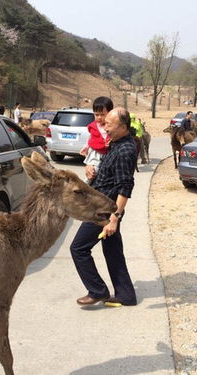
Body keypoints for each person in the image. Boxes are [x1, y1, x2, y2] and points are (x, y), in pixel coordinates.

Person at [70, 106, 137, 307]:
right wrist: (92, 171)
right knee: (113, 250)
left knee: (79, 248)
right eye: (103, 122)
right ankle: (126, 295)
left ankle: (97, 290)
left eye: (109, 124)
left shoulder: (125, 150)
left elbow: (125, 187)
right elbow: (110, 175)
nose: (104, 127)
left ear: (124, 127)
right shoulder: (116, 143)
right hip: (104, 206)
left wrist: (113, 219)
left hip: (105, 211)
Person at [79, 97, 111, 183]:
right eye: (96, 115)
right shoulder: (93, 126)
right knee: (93, 172)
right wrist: (86, 147)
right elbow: (91, 137)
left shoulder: (112, 126)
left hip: (107, 153)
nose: (99, 117)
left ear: (110, 113)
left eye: (102, 114)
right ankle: (85, 185)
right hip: (95, 153)